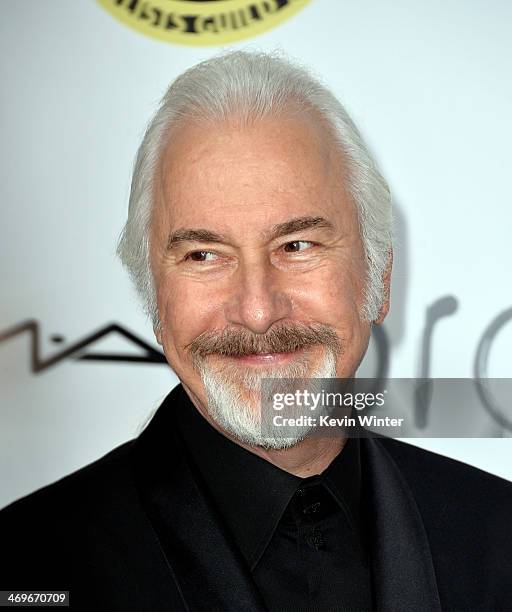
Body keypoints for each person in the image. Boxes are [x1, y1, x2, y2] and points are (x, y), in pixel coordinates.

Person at [1, 51, 511, 611]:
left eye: (297, 246)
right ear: (154, 296)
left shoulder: (496, 536)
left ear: (379, 276)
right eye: (203, 255)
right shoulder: (28, 562)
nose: (259, 311)